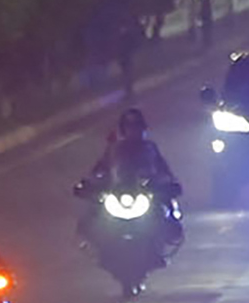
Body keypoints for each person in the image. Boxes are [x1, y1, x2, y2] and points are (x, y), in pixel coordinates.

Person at [75, 108, 185, 259]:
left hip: (146, 193)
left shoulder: (150, 149)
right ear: (124, 130)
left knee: (167, 213)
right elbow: (98, 171)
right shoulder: (114, 150)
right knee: (93, 215)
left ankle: (156, 247)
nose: (134, 131)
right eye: (130, 127)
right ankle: (101, 248)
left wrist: (170, 184)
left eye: (137, 127)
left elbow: (164, 171)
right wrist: (88, 185)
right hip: (118, 192)